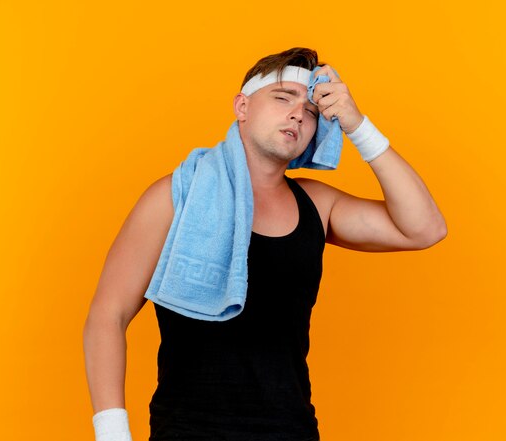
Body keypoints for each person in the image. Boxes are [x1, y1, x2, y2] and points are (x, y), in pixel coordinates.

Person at [83, 47, 447, 441]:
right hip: (186, 431)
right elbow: (108, 315)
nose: (297, 114)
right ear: (242, 106)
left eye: (310, 111)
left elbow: (424, 229)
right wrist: (112, 434)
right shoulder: (177, 195)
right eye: (282, 98)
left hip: (291, 431)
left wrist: (358, 126)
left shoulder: (317, 204)